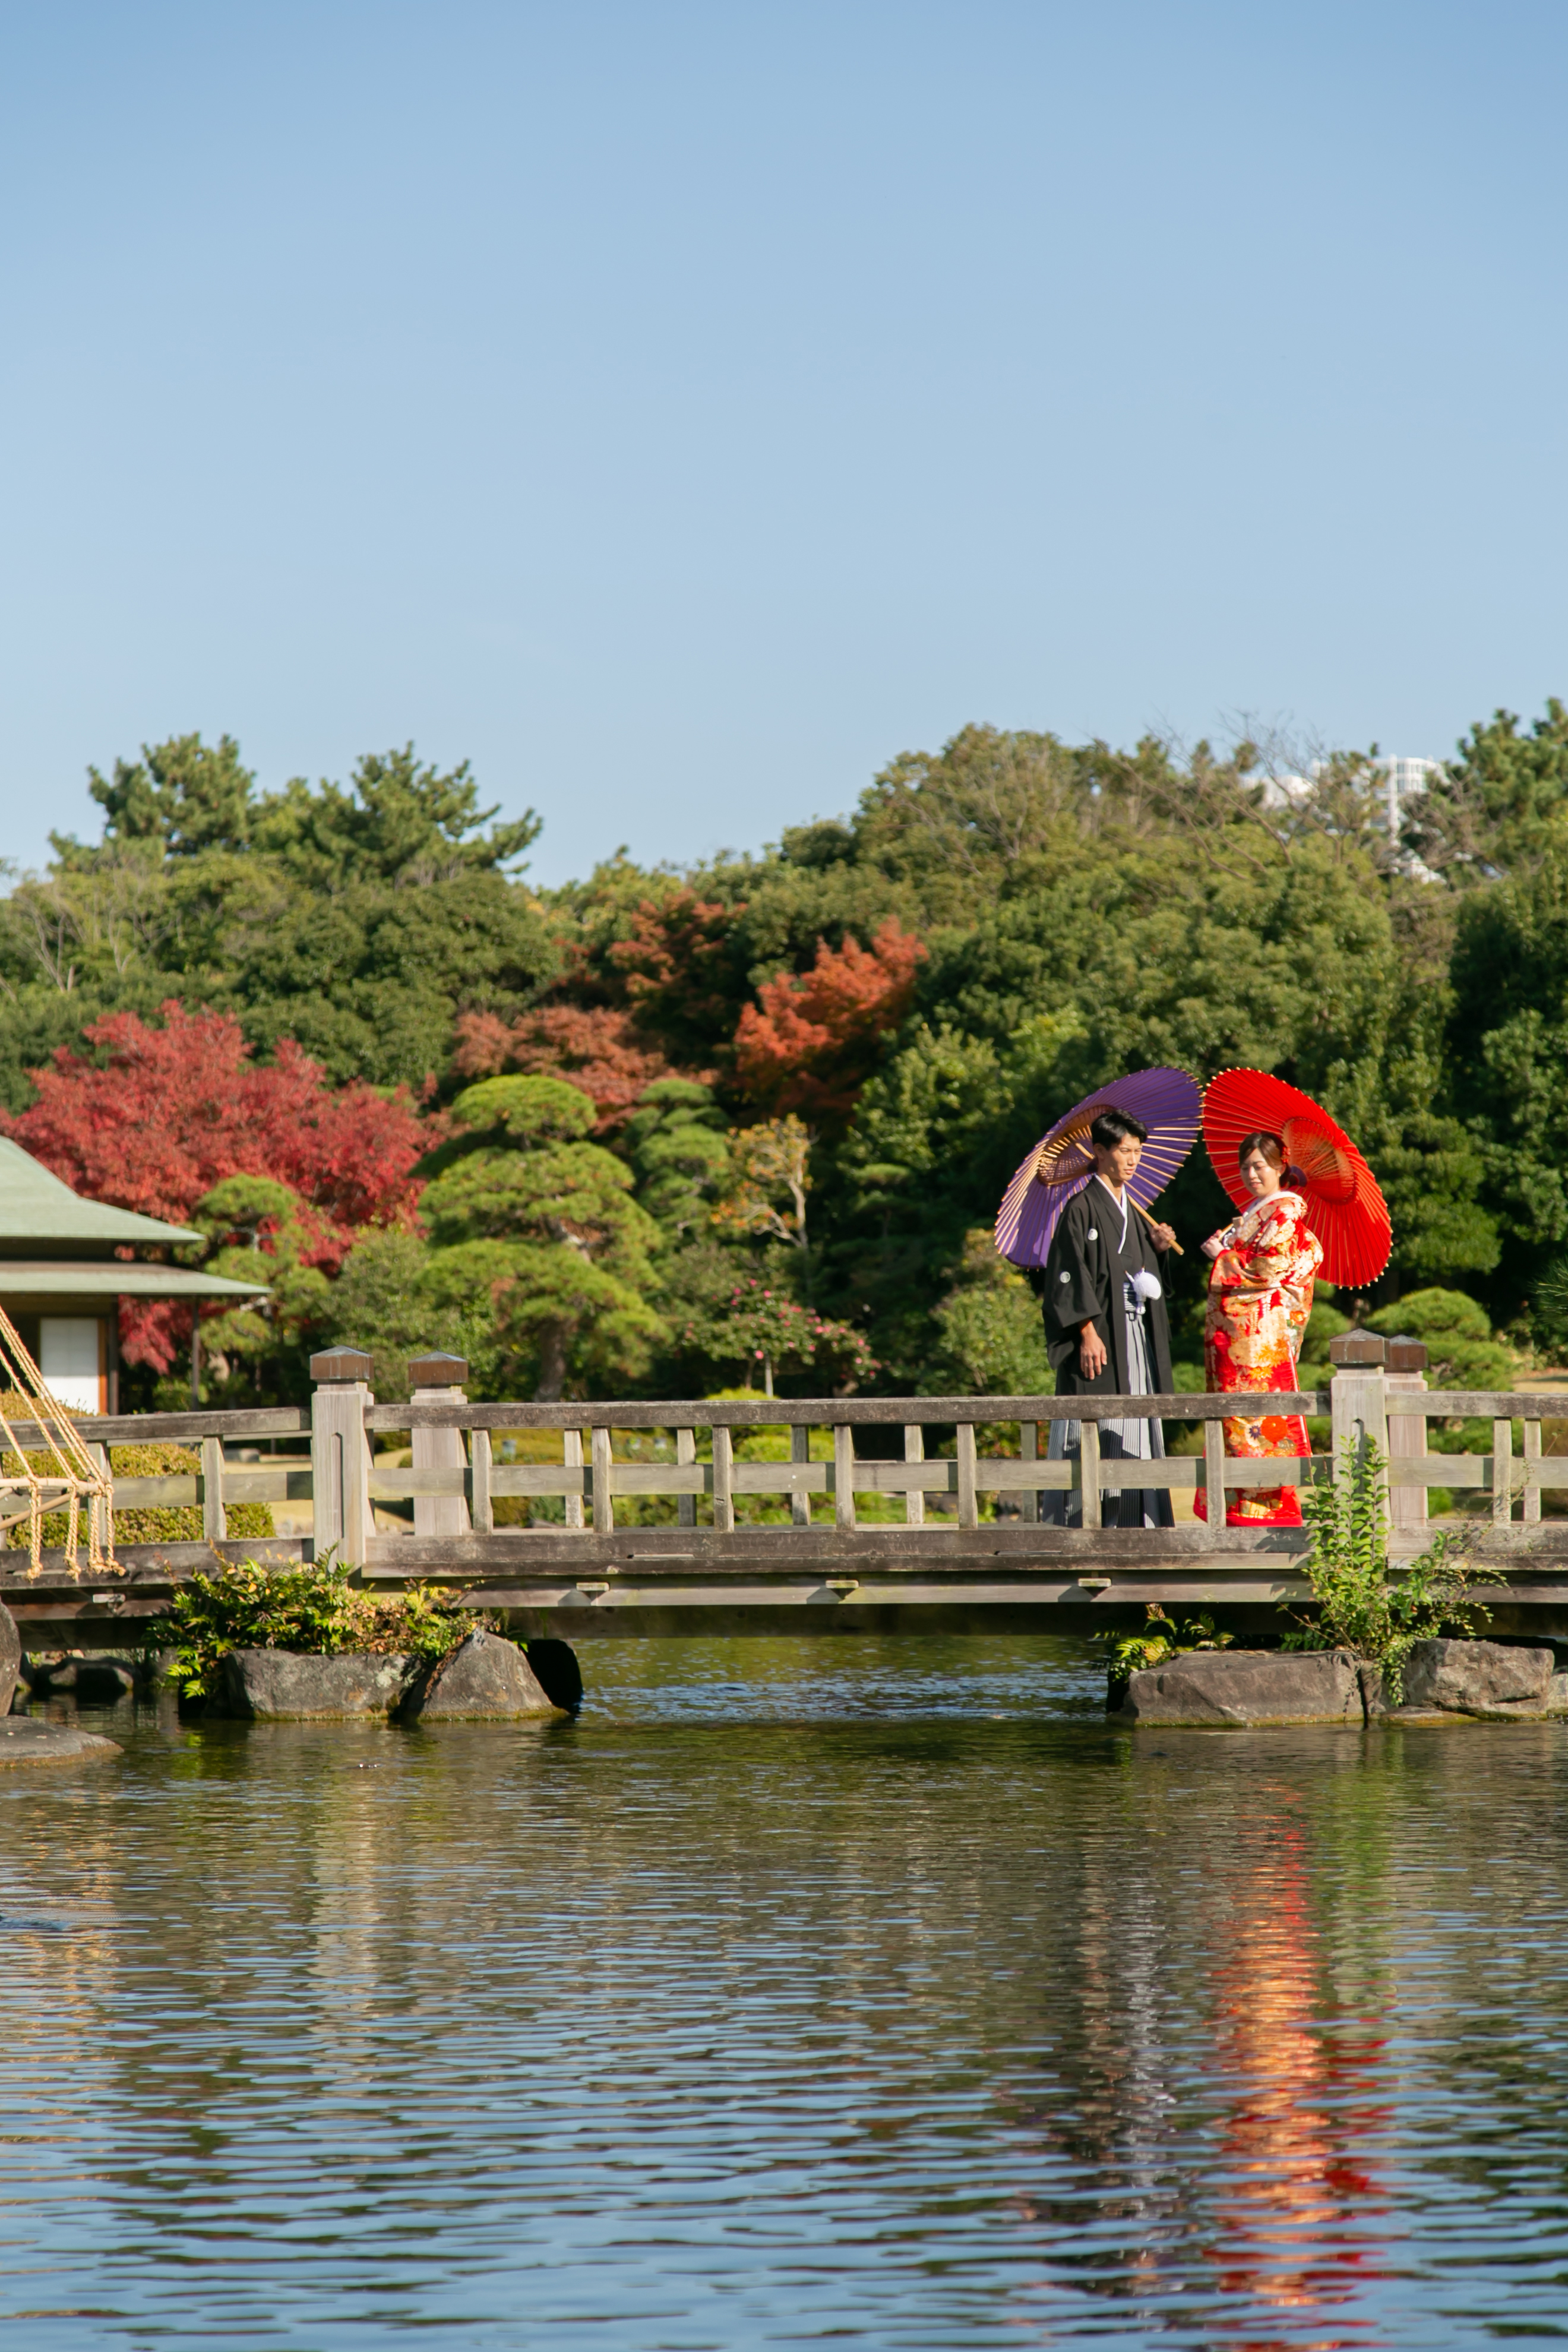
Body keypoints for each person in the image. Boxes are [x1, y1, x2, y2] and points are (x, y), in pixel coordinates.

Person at [1041, 1107, 1177, 1528]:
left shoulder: (1133, 1212)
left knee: (1136, 1418)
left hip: (1136, 1333)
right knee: (1099, 1422)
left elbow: (1141, 1276)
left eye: (1138, 1151)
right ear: (1099, 1152)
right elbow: (1066, 1276)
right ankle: (1091, 1523)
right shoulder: (1080, 1209)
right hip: (1101, 1335)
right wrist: (1085, 1333)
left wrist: (1157, 1248)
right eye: (1124, 1151)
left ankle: (1138, 1520)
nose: (1133, 1159)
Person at [1193, 1129, 1323, 1527]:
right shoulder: (1258, 1212)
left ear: (1281, 1167)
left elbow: (1268, 1271)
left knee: (1256, 1419)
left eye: (1260, 1166)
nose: (1252, 1174)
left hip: (1257, 1338)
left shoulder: (1284, 1213)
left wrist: (1223, 1256)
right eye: (1246, 1167)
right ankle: (1239, 1505)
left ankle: (1265, 1509)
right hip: (1240, 1334)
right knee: (1236, 1419)